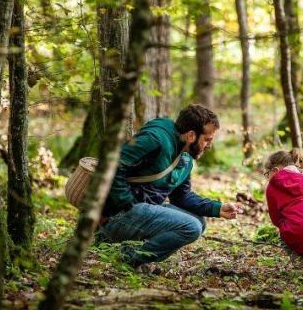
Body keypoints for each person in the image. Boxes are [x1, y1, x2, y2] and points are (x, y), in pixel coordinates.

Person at [98, 104, 242, 272]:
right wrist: (125, 203)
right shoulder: (154, 138)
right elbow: (113, 164)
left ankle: (129, 253)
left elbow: (182, 196)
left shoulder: (185, 157)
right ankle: (126, 257)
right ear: (191, 135)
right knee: (191, 227)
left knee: (200, 223)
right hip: (118, 214)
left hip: (143, 210)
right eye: (207, 139)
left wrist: (217, 208)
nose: (209, 145)